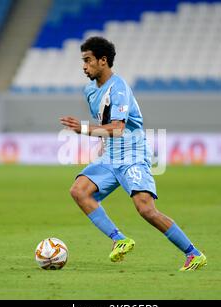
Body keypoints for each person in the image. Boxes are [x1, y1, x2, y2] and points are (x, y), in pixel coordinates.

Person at [59, 36, 206, 271]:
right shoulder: (90, 90)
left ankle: (193, 254)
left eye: (88, 60)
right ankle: (120, 240)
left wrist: (83, 129)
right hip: (110, 157)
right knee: (79, 191)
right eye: (83, 61)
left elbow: (117, 128)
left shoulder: (119, 89)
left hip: (132, 155)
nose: (84, 66)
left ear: (103, 60)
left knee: (146, 209)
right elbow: (105, 125)